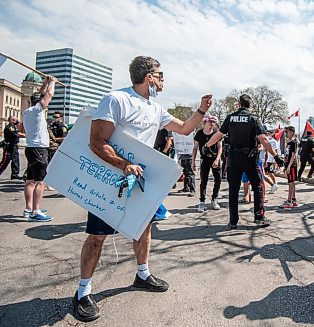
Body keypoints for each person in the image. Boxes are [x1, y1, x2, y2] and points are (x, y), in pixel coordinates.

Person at [72, 55, 213, 322]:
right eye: (160, 75)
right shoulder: (116, 99)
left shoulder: (155, 108)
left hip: (141, 181)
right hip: (110, 181)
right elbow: (96, 141)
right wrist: (123, 164)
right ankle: (83, 291)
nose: (163, 80)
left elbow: (183, 129)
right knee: (97, 236)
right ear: (149, 76)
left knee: (144, 228)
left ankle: (143, 274)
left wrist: (201, 110)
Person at [204, 94, 283, 229]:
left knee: (233, 189)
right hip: (250, 158)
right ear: (250, 105)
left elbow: (219, 135)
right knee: (257, 186)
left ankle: (233, 221)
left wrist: (207, 146)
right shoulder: (254, 118)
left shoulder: (230, 118)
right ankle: (259, 217)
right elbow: (264, 140)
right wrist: (276, 156)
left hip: (233, 158)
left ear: (239, 104)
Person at [22, 76, 57, 222]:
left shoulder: (27, 111)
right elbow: (48, 95)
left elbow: (42, 94)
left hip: (30, 148)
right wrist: (53, 82)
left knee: (30, 181)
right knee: (41, 181)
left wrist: (45, 83)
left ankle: (29, 209)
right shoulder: (37, 110)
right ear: (40, 102)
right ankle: (36, 211)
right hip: (39, 149)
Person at [193, 115, 222, 211]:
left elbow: (220, 147)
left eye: (214, 122)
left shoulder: (216, 133)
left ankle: (214, 199)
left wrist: (217, 159)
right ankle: (202, 202)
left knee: (218, 179)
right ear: (205, 122)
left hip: (214, 159)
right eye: (211, 122)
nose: (212, 124)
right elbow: (195, 148)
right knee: (203, 181)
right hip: (204, 159)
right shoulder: (199, 133)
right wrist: (193, 161)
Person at [280, 126, 299, 210]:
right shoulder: (288, 143)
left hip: (291, 166)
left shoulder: (294, 142)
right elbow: (287, 156)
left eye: (287, 132)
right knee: (292, 182)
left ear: (291, 132)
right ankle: (294, 199)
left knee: (290, 183)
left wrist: (289, 166)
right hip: (288, 165)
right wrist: (285, 165)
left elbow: (293, 156)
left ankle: (289, 201)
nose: (286, 134)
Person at [264, 128, 279, 194]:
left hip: (271, 159)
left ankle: (275, 184)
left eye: (269, 133)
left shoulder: (274, 141)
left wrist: (275, 159)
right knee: (265, 173)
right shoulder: (265, 140)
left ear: (272, 134)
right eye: (267, 133)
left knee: (270, 172)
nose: (268, 134)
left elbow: (275, 150)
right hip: (265, 159)